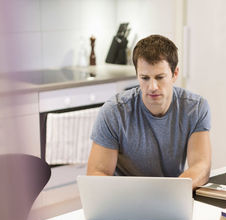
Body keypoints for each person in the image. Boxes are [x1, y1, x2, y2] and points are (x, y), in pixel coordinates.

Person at [87, 34, 211, 189]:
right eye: (145, 78)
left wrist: (173, 192)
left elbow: (201, 165)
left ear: (175, 74)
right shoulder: (114, 112)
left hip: (171, 195)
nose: (152, 87)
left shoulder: (195, 108)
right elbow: (97, 173)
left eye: (160, 77)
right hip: (125, 198)